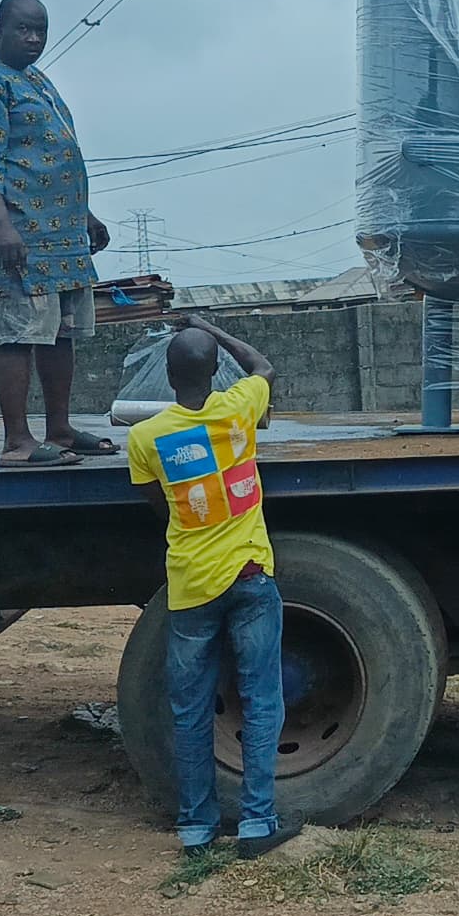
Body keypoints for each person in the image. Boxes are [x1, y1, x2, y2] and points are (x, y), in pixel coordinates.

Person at [125, 311, 296, 858]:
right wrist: (212, 329)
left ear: (169, 377)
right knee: (262, 699)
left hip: (192, 584)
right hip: (250, 574)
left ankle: (196, 828)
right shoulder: (239, 409)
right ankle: (255, 824)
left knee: (190, 708)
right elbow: (264, 365)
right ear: (216, 369)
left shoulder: (146, 436)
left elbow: (159, 506)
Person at [0, 0, 113, 467]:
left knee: (61, 332)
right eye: (23, 29)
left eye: (40, 30)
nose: (33, 38)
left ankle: (59, 428)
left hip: (58, 235)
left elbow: (49, 155)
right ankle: (17, 442)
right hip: (14, 235)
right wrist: (0, 226)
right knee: (16, 334)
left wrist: (85, 215)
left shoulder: (32, 78)